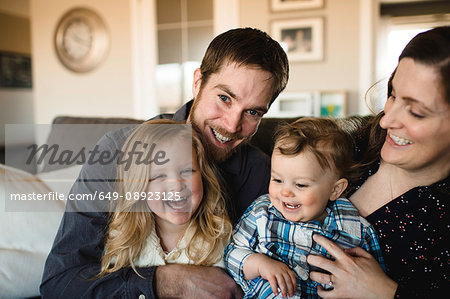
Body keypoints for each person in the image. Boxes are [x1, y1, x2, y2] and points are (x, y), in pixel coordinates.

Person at [41, 27, 289, 298]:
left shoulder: (267, 176)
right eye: (224, 98)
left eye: (252, 112)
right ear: (198, 83)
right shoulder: (118, 152)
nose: (231, 125)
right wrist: (165, 281)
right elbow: (60, 284)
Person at [307, 26, 450, 298]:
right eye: (393, 95)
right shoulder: (353, 145)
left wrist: (384, 292)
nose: (386, 120)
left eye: (416, 112)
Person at [225, 118, 384, 298]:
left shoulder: (355, 229)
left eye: (300, 185)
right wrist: (259, 264)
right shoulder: (262, 213)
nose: (285, 192)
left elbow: (369, 284)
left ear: (335, 189)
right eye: (277, 180)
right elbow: (231, 254)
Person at [97, 120, 232, 278]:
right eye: (159, 176)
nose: (176, 185)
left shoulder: (220, 238)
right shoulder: (123, 239)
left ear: (203, 175)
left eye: (187, 170)